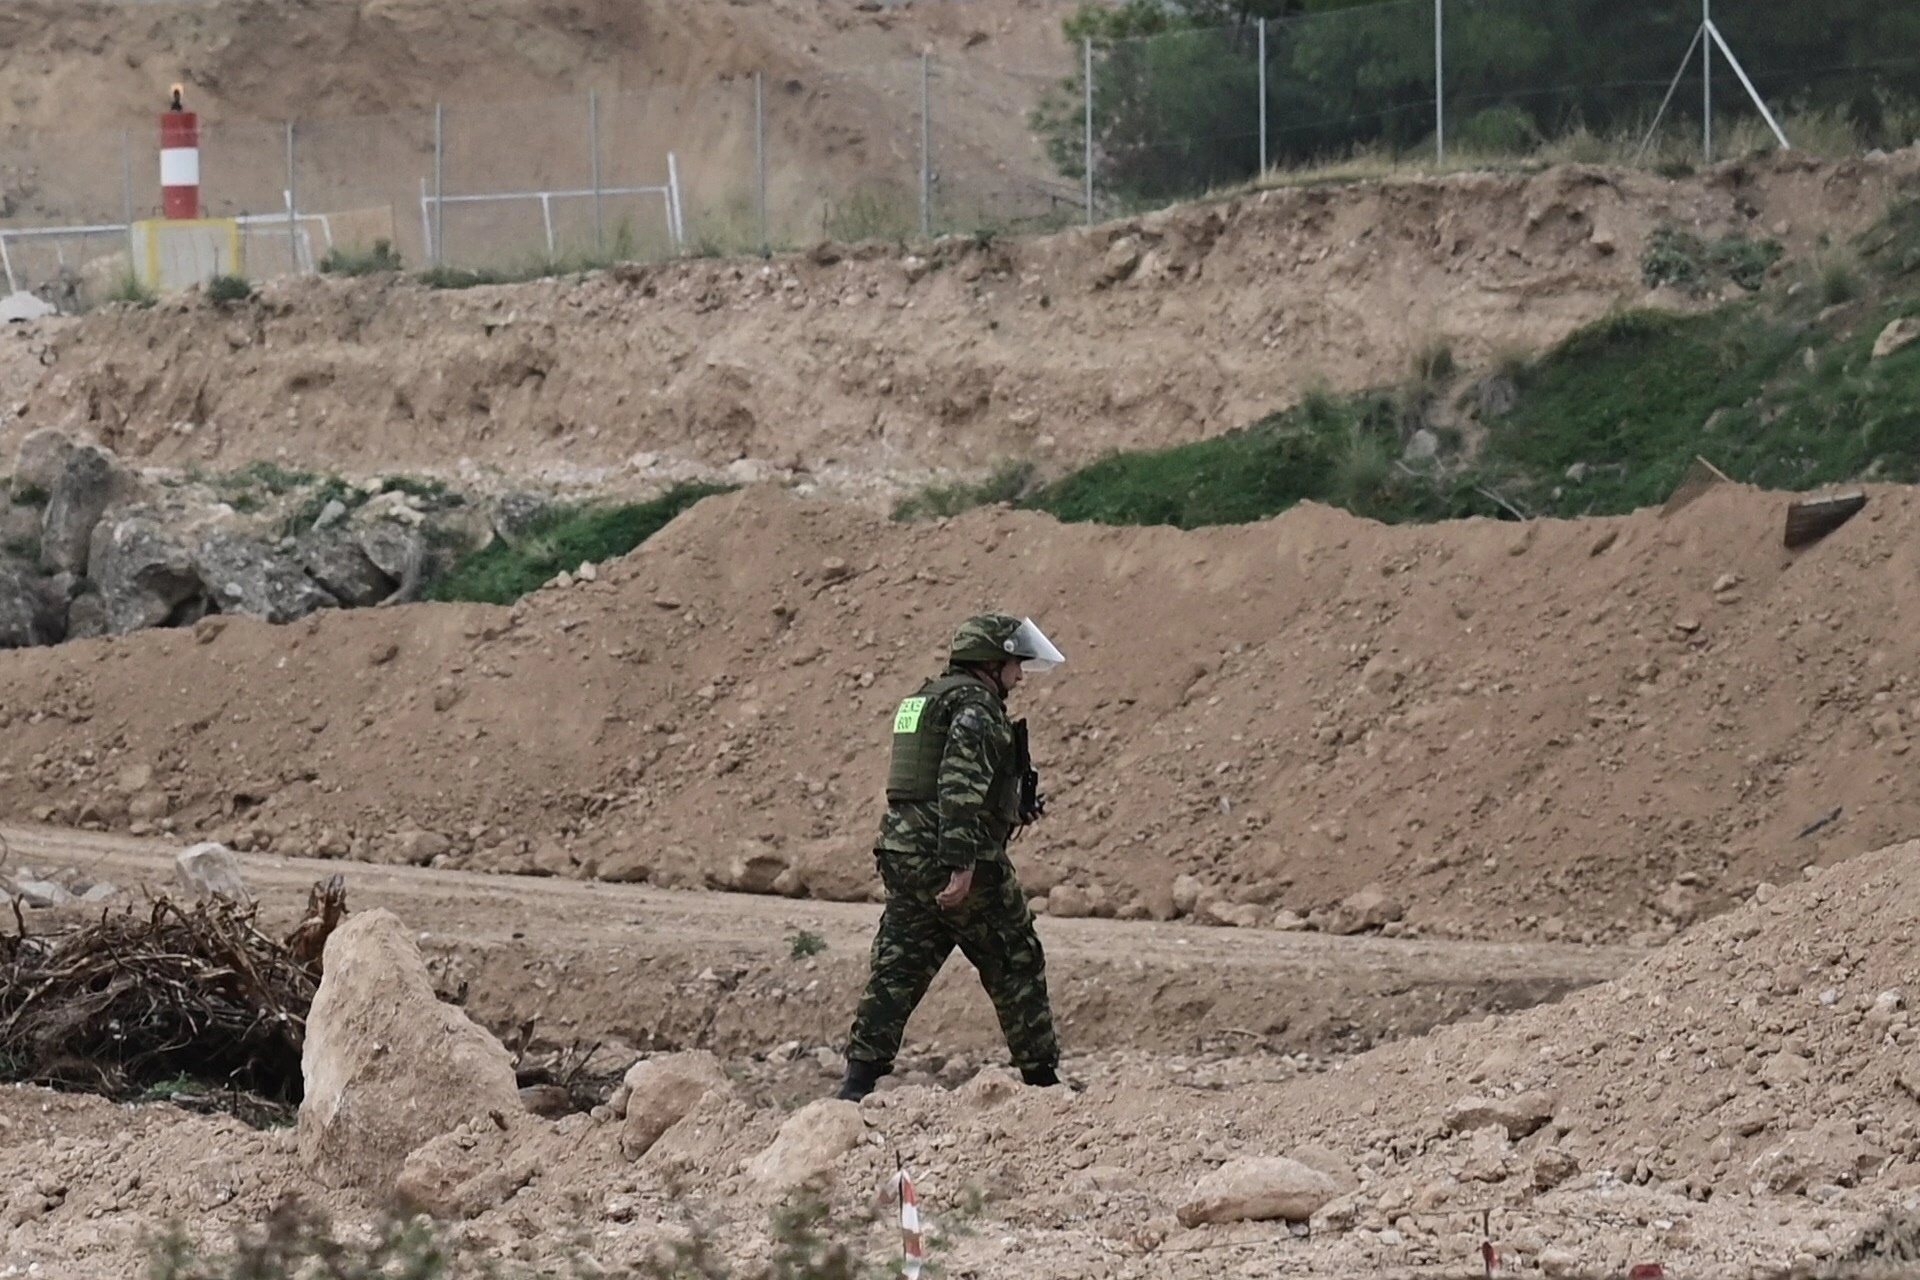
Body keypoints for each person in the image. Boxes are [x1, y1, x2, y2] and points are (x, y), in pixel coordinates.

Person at [836, 612, 1067, 1102]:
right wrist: (962, 863)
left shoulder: (924, 699)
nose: (1020, 675)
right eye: (1014, 664)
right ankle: (1045, 1086)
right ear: (990, 662)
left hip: (902, 849)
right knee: (1016, 958)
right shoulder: (977, 707)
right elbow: (957, 786)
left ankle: (855, 1087)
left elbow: (921, 781)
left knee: (899, 967)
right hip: (953, 852)